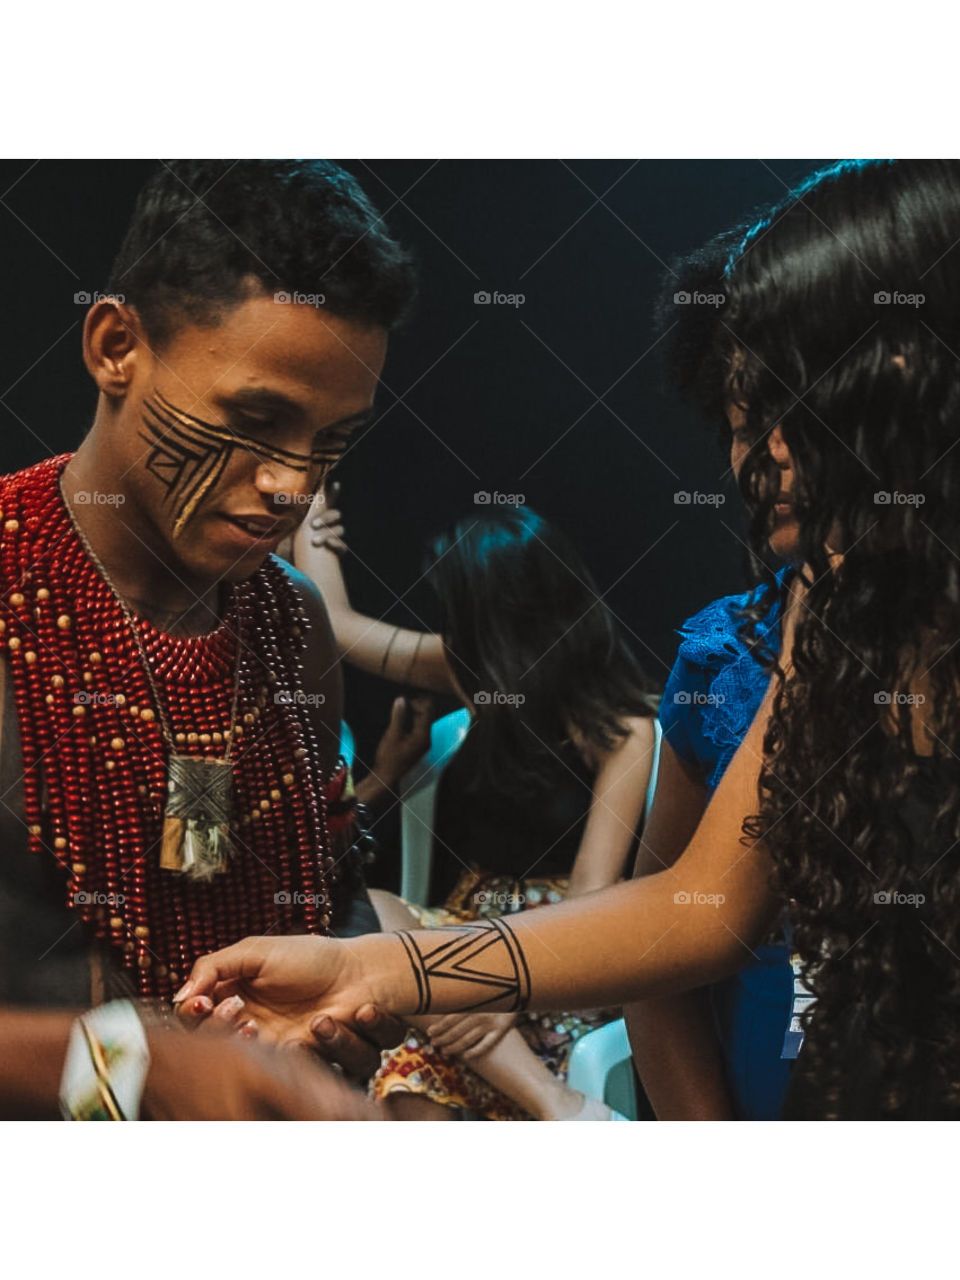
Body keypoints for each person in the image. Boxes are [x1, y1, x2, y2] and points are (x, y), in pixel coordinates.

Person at [179, 158, 960, 1120]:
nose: (754, 455)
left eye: (789, 404)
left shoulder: (645, 708)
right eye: (739, 415)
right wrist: (370, 968)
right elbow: (697, 907)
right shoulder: (827, 611)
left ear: (910, 376)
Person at [0, 158, 417, 1115]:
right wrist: (139, 1068)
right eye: (257, 418)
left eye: (331, 442)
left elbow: (331, 881)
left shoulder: (293, 628)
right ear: (115, 346)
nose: (292, 484)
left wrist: (344, 997)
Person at [291, 502, 658, 1118]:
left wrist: (516, 981)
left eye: (462, 618)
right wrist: (311, 521)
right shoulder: (473, 669)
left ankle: (559, 1102)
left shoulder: (621, 728)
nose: (449, 635)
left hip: (565, 946)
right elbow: (343, 627)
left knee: (423, 1048)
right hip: (466, 937)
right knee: (375, 907)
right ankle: (558, 1106)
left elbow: (593, 894)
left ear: (509, 622)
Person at [625, 402, 799, 1119]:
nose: (769, 452)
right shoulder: (723, 657)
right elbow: (660, 952)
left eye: (806, 411)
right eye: (743, 424)